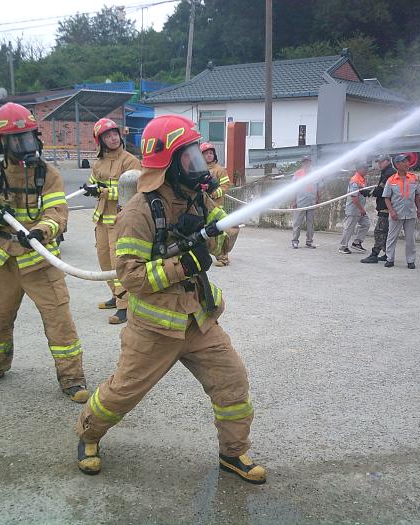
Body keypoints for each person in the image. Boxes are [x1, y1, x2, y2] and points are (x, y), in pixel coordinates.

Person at [76, 115, 265, 485]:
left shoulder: (198, 198)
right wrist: (183, 264)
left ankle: (233, 453)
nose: (198, 164)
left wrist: (220, 226)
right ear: (168, 164)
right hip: (154, 328)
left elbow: (224, 242)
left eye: (198, 155)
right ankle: (87, 434)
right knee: (122, 393)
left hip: (199, 318)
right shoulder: (138, 212)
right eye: (189, 157)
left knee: (233, 382)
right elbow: (130, 276)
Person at [0, 102, 89, 403]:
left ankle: (72, 379)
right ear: (2, 143)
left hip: (40, 262)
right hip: (3, 262)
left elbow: (57, 211)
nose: (25, 146)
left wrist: (41, 231)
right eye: (16, 140)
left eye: (28, 137)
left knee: (59, 321)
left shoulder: (48, 175)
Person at [83, 118, 142, 324]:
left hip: (120, 220)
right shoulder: (98, 163)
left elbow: (134, 190)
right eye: (107, 136)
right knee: (104, 262)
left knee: (119, 264)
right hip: (101, 219)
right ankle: (115, 295)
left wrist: (103, 191)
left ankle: (125, 305)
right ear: (100, 141)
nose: (113, 138)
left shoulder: (130, 161)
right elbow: (93, 184)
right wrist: (90, 188)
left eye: (115, 133)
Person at [201, 141, 240, 267]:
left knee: (220, 232)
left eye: (211, 153)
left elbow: (226, 185)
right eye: (206, 153)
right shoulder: (198, 170)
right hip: (201, 207)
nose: (209, 155)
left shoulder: (220, 170)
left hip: (216, 207)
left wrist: (213, 194)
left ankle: (223, 257)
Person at [383, 154, 420, 269]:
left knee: (410, 239)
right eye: (404, 162)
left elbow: (417, 195)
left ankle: (411, 261)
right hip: (396, 213)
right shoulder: (391, 180)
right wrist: (392, 212)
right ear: (397, 164)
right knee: (392, 238)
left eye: (407, 161)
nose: (407, 164)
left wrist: (419, 209)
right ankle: (389, 259)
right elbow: (386, 198)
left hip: (410, 213)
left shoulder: (413, 178)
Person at [361, 154, 396, 263]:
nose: (379, 164)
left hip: (386, 207)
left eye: (381, 162)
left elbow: (381, 190)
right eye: (378, 162)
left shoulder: (389, 173)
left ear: (387, 161)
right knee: (385, 232)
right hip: (387, 206)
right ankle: (387, 253)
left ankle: (374, 254)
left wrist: (368, 193)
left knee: (379, 231)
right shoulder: (387, 172)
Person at [338, 161, 371, 254]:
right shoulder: (355, 180)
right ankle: (343, 247)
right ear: (359, 169)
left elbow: (361, 192)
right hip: (353, 209)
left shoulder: (362, 179)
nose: (366, 170)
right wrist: (362, 209)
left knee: (366, 224)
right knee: (349, 228)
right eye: (365, 168)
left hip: (359, 208)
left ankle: (357, 242)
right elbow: (354, 197)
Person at [291, 155, 320, 249]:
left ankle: (309, 241)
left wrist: (318, 199)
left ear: (310, 162)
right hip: (300, 202)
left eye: (308, 162)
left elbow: (318, 187)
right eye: (305, 162)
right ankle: (295, 241)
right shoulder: (297, 174)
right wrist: (294, 201)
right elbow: (293, 189)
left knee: (310, 223)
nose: (307, 164)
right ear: (302, 163)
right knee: (297, 223)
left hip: (311, 201)